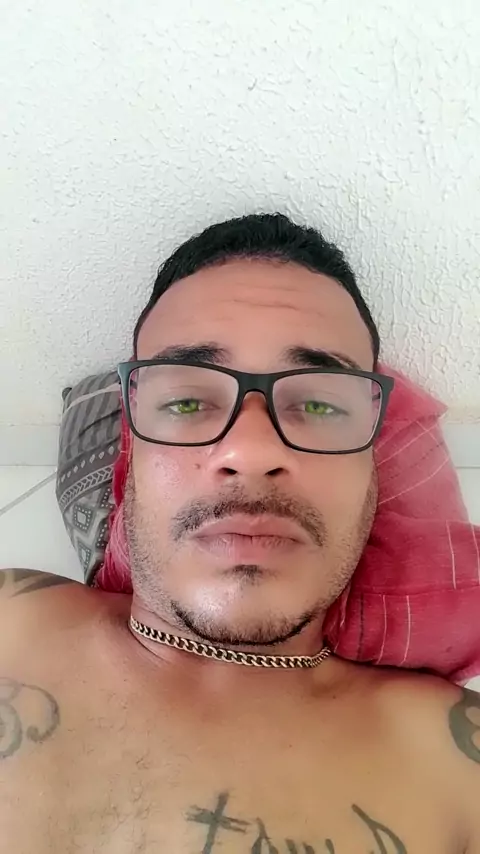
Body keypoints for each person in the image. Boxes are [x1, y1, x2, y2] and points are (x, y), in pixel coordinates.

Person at [1, 213, 480, 854]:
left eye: (319, 404)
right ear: (131, 456)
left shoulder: (457, 769)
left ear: (374, 465)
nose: (250, 452)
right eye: (186, 401)